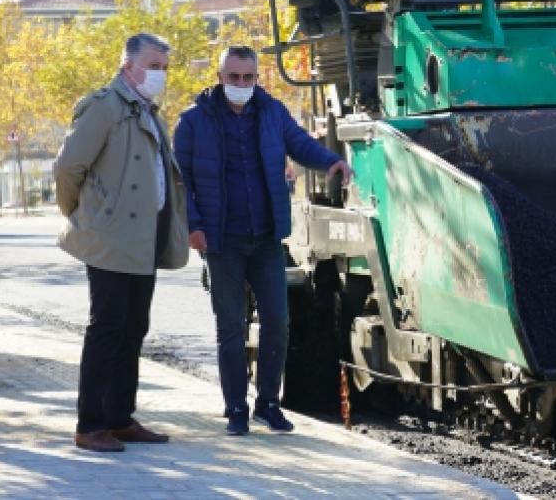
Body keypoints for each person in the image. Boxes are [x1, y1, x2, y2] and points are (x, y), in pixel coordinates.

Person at [174, 45, 353, 436]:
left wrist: (330, 161)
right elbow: (180, 179)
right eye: (234, 77)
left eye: (248, 78)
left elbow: (300, 143)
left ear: (257, 78)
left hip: (267, 237)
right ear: (220, 78)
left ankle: (268, 404)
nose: (241, 84)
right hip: (222, 242)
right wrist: (194, 225)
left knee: (278, 321)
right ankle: (235, 407)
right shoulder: (193, 122)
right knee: (231, 326)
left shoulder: (271, 112)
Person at [53, 32, 189, 453]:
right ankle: (90, 424)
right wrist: (86, 216)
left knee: (133, 329)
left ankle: (119, 417)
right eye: (152, 66)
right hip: (112, 238)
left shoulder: (149, 110)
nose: (159, 75)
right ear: (127, 66)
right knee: (107, 330)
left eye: (164, 68)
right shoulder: (105, 107)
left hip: (145, 238)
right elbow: (67, 168)